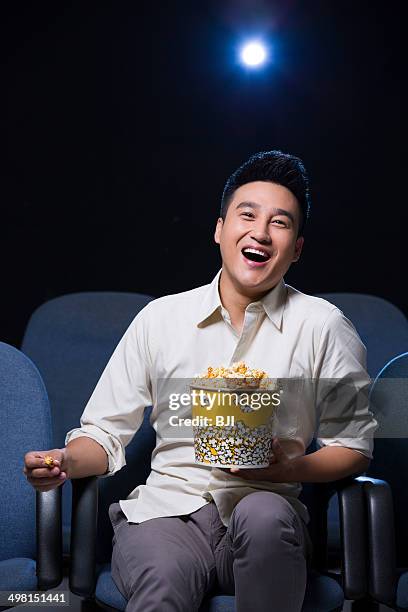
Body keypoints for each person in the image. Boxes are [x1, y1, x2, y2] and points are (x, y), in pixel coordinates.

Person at [24, 150, 377, 612]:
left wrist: (288, 467)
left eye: (281, 223)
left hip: (265, 514)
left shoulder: (325, 326)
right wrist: (64, 459)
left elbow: (356, 446)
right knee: (164, 577)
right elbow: (105, 434)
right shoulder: (160, 318)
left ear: (296, 249)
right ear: (219, 229)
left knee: (264, 515)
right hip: (165, 515)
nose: (261, 233)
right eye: (247, 215)